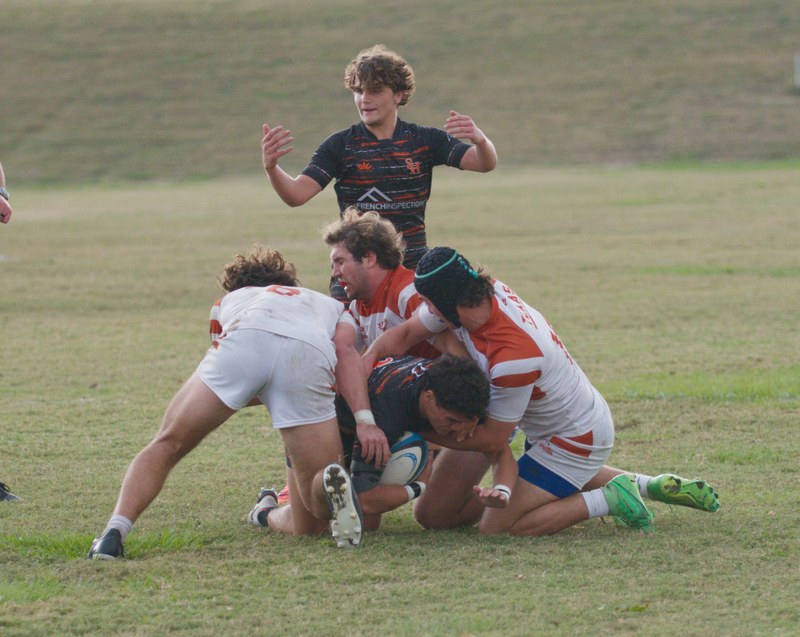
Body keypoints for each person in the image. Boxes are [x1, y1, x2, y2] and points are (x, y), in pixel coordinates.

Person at [363, 247, 720, 536]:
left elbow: (491, 440)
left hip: (575, 439)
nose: (424, 309)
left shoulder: (513, 358)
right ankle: (646, 486)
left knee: (497, 527)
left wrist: (406, 425)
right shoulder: (478, 297)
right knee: (432, 516)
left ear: (447, 301)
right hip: (540, 424)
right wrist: (364, 371)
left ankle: (608, 499)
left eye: (427, 302)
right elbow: (404, 335)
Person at [87, 247, 375, 559]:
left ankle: (112, 534)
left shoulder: (229, 301)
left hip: (248, 337)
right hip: (308, 352)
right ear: (290, 283)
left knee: (167, 443)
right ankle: (331, 478)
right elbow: (344, 356)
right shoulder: (326, 304)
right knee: (316, 498)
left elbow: (235, 374)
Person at [261, 44, 498, 298]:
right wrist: (272, 167)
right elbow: (297, 195)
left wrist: (480, 141)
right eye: (359, 91)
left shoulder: (424, 140)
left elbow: (484, 163)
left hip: (413, 271)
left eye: (374, 90)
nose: (364, 99)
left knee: (430, 333)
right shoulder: (340, 146)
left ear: (398, 94)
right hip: (356, 273)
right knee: (346, 337)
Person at [248, 354, 510, 533]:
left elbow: (497, 445)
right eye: (452, 421)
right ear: (429, 398)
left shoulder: (449, 385)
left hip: (355, 429)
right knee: (309, 529)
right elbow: (363, 501)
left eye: (467, 422)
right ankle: (264, 510)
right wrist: (419, 487)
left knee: (369, 525)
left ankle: (336, 482)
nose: (459, 431)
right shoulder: (387, 417)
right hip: (314, 429)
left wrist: (504, 489)